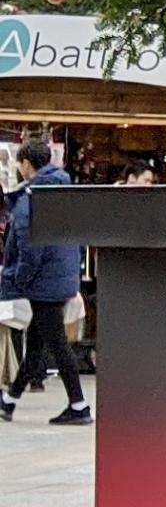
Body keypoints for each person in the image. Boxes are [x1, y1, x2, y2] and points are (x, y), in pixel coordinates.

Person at [1, 137, 91, 425]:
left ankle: (79, 405)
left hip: (44, 283)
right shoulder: (64, 192)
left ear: (27, 164)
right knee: (38, 344)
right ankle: (9, 400)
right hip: (61, 277)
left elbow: (29, 247)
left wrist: (18, 279)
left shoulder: (32, 198)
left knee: (57, 345)